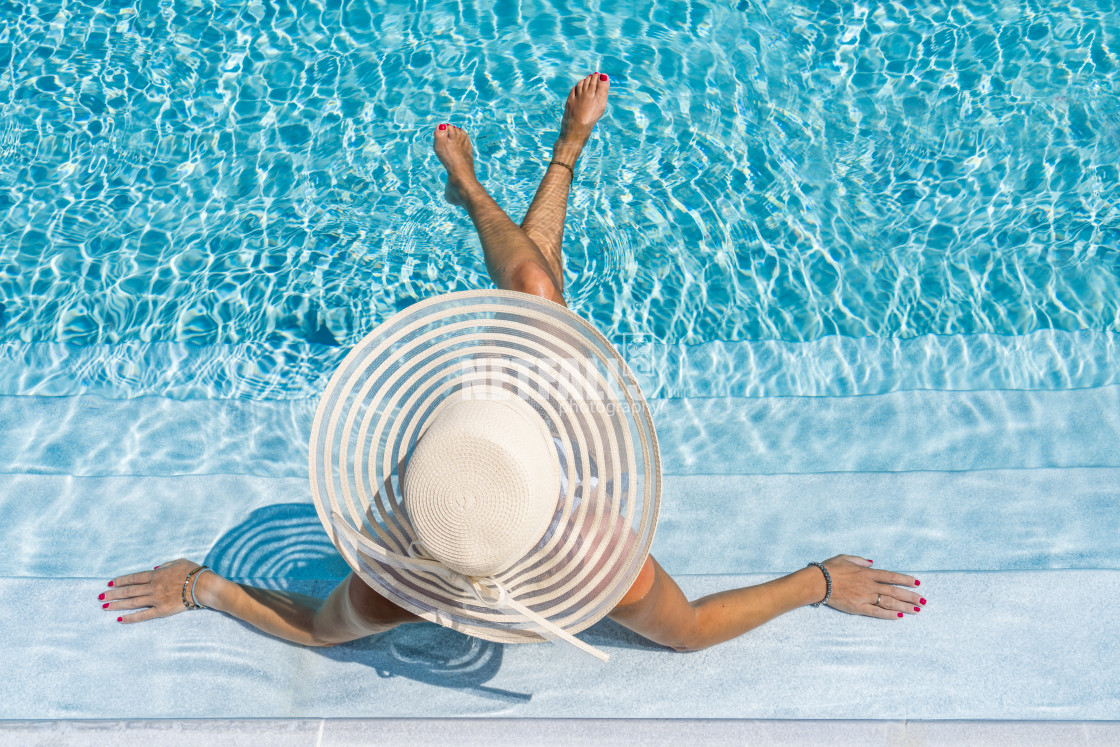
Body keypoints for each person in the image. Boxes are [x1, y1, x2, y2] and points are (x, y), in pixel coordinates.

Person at [100, 73, 925, 657]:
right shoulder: (584, 551)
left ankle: (479, 188)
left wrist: (208, 585)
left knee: (534, 286)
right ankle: (546, 160)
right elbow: (693, 633)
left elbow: (317, 625)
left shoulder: (407, 537)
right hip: (488, 454)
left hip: (481, 436)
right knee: (536, 287)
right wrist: (814, 581)